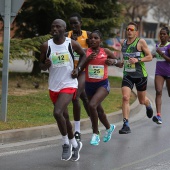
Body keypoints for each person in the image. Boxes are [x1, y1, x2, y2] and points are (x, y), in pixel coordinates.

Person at [39, 19, 86, 161]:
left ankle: (65, 143)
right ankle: (74, 144)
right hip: (54, 86)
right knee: (64, 118)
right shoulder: (46, 45)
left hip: (69, 83)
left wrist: (78, 69)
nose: (54, 28)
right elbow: (40, 65)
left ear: (64, 29)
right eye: (53, 26)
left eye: (58, 26)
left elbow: (84, 55)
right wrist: (45, 64)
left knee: (57, 112)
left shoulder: (70, 43)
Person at [83, 29, 121, 146]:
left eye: (96, 38)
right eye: (91, 38)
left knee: (91, 105)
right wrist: (87, 60)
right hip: (89, 85)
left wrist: (113, 61)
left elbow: (120, 63)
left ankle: (95, 133)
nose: (93, 40)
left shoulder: (106, 51)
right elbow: (80, 66)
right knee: (99, 110)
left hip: (102, 85)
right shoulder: (85, 52)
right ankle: (109, 128)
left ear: (101, 40)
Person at [119, 22, 153, 134]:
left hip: (140, 75)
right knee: (125, 97)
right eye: (127, 29)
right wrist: (120, 63)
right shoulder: (123, 43)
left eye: (131, 29)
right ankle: (126, 124)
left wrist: (138, 60)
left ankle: (148, 105)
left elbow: (150, 56)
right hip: (128, 75)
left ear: (136, 32)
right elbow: (123, 59)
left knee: (142, 100)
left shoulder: (140, 42)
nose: (129, 31)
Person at [65, 13, 91, 141]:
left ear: (81, 22)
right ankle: (94, 119)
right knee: (85, 99)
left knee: (75, 96)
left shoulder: (88, 35)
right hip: (70, 71)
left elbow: (94, 51)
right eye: (71, 24)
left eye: (76, 23)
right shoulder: (67, 36)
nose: (74, 26)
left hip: (82, 71)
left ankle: (77, 131)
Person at [152, 27, 170, 124]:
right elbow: (152, 55)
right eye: (161, 34)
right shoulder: (157, 45)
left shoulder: (169, 46)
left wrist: (161, 54)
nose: (162, 36)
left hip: (169, 73)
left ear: (168, 36)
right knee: (158, 91)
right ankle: (159, 116)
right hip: (159, 72)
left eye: (164, 34)